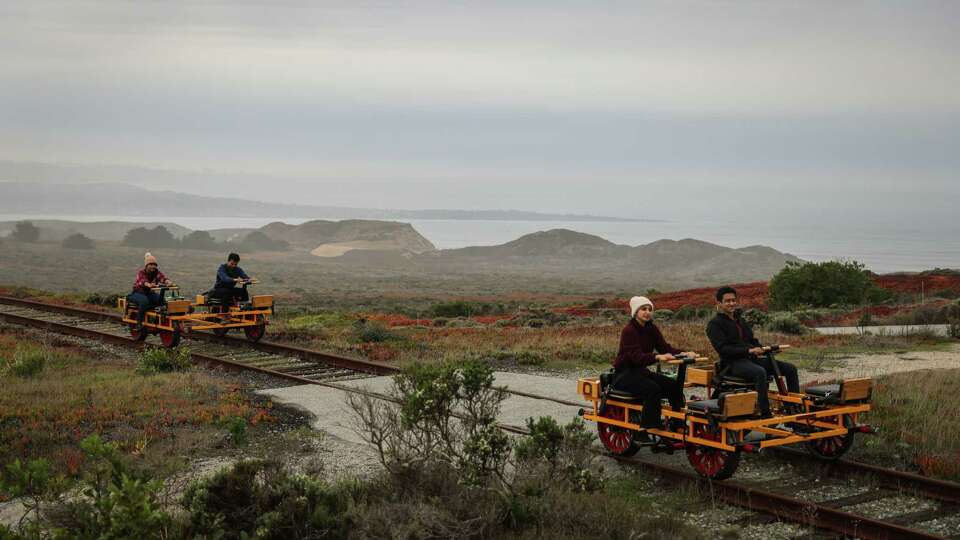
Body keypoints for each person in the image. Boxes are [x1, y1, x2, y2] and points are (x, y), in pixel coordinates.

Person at [706, 285, 799, 417]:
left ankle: (793, 408)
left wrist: (761, 348)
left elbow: (751, 340)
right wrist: (749, 351)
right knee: (760, 372)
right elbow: (723, 349)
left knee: (790, 368)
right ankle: (764, 413)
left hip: (751, 360)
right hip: (732, 364)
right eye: (727, 301)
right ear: (719, 303)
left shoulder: (740, 320)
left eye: (733, 300)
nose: (732, 303)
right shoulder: (714, 324)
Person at [612, 295, 697, 430]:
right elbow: (637, 357)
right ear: (635, 312)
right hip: (624, 374)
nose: (647, 312)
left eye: (649, 309)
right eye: (643, 309)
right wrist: (657, 357)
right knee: (653, 389)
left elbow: (665, 348)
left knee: (673, 386)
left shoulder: (651, 329)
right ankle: (646, 428)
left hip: (640, 372)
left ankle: (677, 422)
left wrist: (684, 353)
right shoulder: (629, 331)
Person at [127, 252, 172, 331]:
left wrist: (168, 282)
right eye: (151, 264)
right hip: (137, 293)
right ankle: (139, 324)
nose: (153, 266)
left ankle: (160, 321)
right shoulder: (141, 273)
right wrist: (149, 284)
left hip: (149, 293)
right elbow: (142, 281)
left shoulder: (156, 273)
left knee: (162, 301)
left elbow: (163, 278)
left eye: (154, 264)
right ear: (146, 265)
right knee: (144, 302)